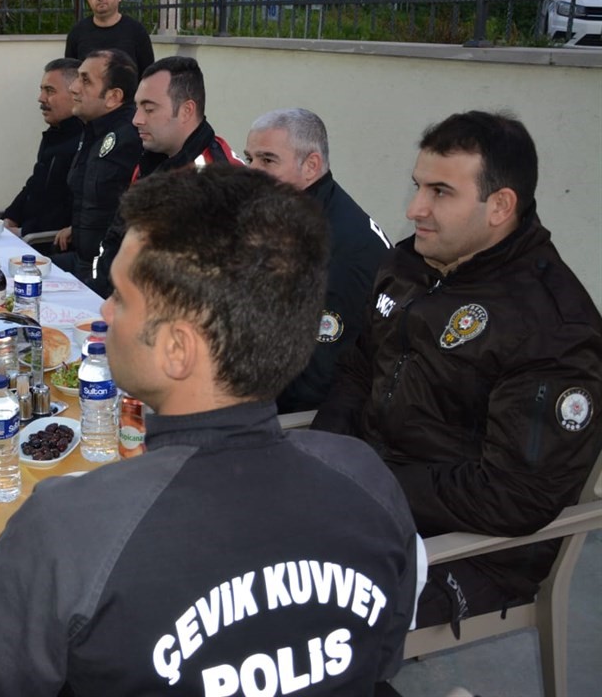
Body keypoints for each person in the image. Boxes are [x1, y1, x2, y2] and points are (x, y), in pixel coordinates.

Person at [0, 165, 423, 695]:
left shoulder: (72, 529)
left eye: (120, 297)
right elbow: (379, 666)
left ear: (177, 349)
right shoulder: (368, 483)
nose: (105, 312)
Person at [315, 110, 602, 632]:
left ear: (501, 206)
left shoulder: (551, 325)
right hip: (370, 500)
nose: (415, 209)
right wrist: (322, 458)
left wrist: (366, 483)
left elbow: (515, 496)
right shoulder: (410, 266)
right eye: (418, 186)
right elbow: (359, 368)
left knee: (282, 621)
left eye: (441, 192)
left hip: (472, 552)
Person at [245, 108, 392, 413]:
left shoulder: (342, 247)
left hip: (312, 420)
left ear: (311, 165)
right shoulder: (291, 215)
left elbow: (317, 379)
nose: (252, 172)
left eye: (268, 160)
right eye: (250, 159)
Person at [92, 55, 240, 297]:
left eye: (149, 109)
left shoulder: (217, 179)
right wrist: (99, 294)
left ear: (186, 110)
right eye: (137, 106)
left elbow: (210, 290)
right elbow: (115, 239)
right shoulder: (152, 161)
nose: (136, 119)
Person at [53, 49, 142, 285]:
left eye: (85, 80)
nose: (73, 88)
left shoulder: (130, 138)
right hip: (80, 259)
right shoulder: (92, 130)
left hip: (105, 275)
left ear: (113, 97)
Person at [0, 58, 83, 240]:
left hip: (44, 243)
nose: (41, 98)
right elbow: (35, 184)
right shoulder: (55, 134)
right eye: (42, 90)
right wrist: (10, 216)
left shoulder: (84, 142)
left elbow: (66, 206)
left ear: (76, 93)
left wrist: (24, 232)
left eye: (50, 91)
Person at [64, 0, 154, 76]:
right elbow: (70, 75)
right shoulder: (77, 32)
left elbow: (148, 75)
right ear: (89, 0)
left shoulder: (137, 31)